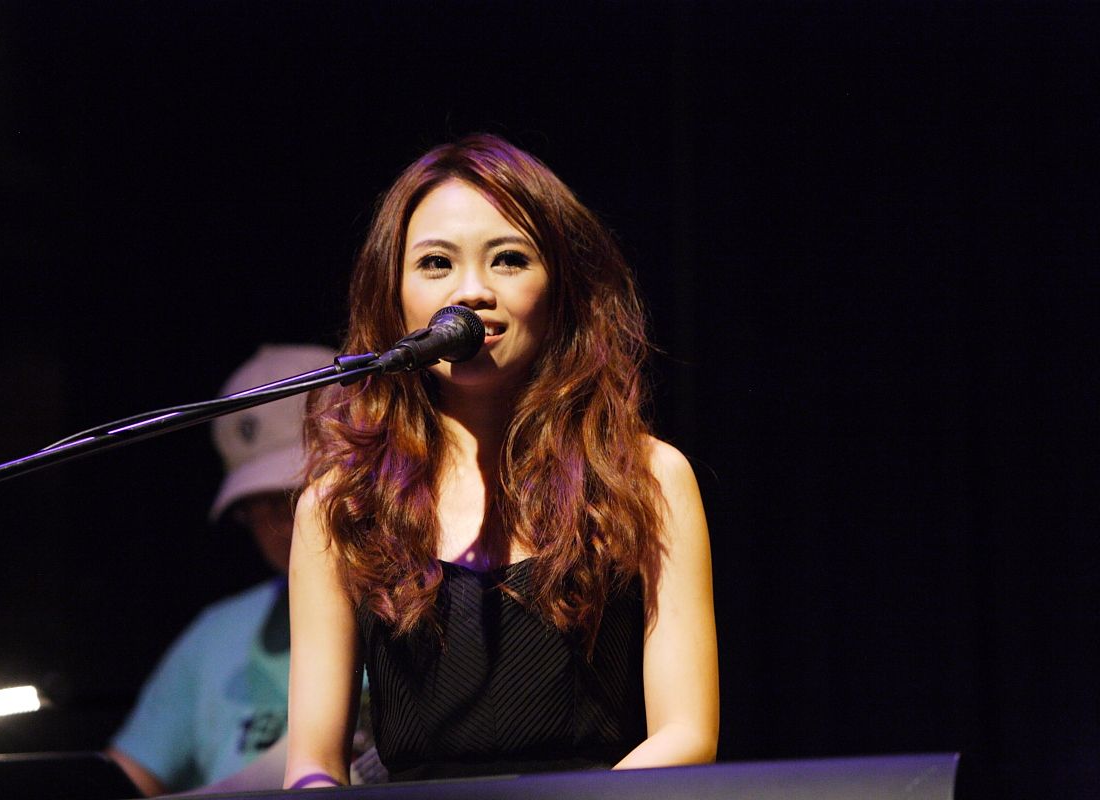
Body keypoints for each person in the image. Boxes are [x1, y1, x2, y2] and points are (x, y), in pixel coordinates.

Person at [283, 135, 718, 789]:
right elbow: (313, 766)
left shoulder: (646, 478)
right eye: (436, 263)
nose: (471, 291)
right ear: (391, 292)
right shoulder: (341, 504)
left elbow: (687, 735)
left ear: (563, 288)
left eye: (509, 259)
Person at [106, 344, 348, 796]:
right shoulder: (216, 633)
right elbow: (122, 779)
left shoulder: (431, 605)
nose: (279, 525)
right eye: (254, 507)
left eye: (292, 496)